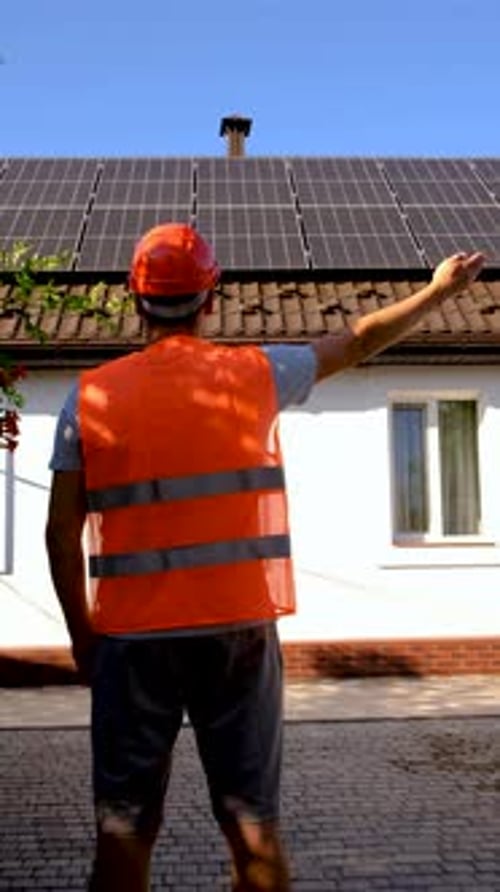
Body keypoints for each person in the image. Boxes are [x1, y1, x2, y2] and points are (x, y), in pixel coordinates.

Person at [45, 222, 484, 892]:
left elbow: (58, 530)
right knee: (253, 827)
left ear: (135, 301)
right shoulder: (256, 373)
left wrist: (83, 638)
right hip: (238, 634)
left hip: (131, 642)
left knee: (124, 825)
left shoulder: (90, 396)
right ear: (209, 299)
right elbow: (361, 338)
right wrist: (436, 291)